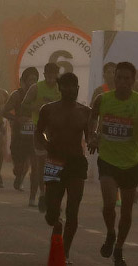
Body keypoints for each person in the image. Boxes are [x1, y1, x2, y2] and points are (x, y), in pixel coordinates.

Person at [89, 61, 138, 266]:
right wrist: (92, 136)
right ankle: (110, 232)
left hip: (131, 162)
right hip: (108, 159)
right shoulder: (102, 99)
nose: (123, 82)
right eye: (119, 78)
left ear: (133, 81)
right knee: (109, 205)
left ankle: (118, 248)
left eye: (127, 79)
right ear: (113, 79)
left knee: (127, 211)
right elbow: (92, 120)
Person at [35, 72, 91, 264]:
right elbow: (38, 132)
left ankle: (64, 253)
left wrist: (93, 140)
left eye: (73, 86)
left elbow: (90, 134)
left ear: (77, 88)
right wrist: (45, 143)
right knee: (52, 213)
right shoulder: (48, 110)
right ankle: (56, 223)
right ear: (60, 89)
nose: (69, 90)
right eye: (65, 87)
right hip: (54, 161)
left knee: (73, 210)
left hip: (76, 162)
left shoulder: (85, 111)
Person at [23, 62, 62, 212]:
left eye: (54, 76)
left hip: (57, 131)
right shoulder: (36, 88)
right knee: (40, 165)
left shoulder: (61, 88)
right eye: (49, 76)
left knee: (55, 165)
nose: (52, 79)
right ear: (44, 75)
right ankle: (40, 194)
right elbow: (24, 105)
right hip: (40, 129)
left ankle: (51, 195)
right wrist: (37, 107)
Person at [4, 67, 40, 196]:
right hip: (19, 136)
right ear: (24, 81)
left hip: (34, 136)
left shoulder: (39, 95)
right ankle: (18, 176)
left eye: (35, 80)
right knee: (19, 166)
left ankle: (32, 191)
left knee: (32, 161)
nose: (32, 82)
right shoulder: (16, 95)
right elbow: (4, 111)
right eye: (30, 80)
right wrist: (17, 119)